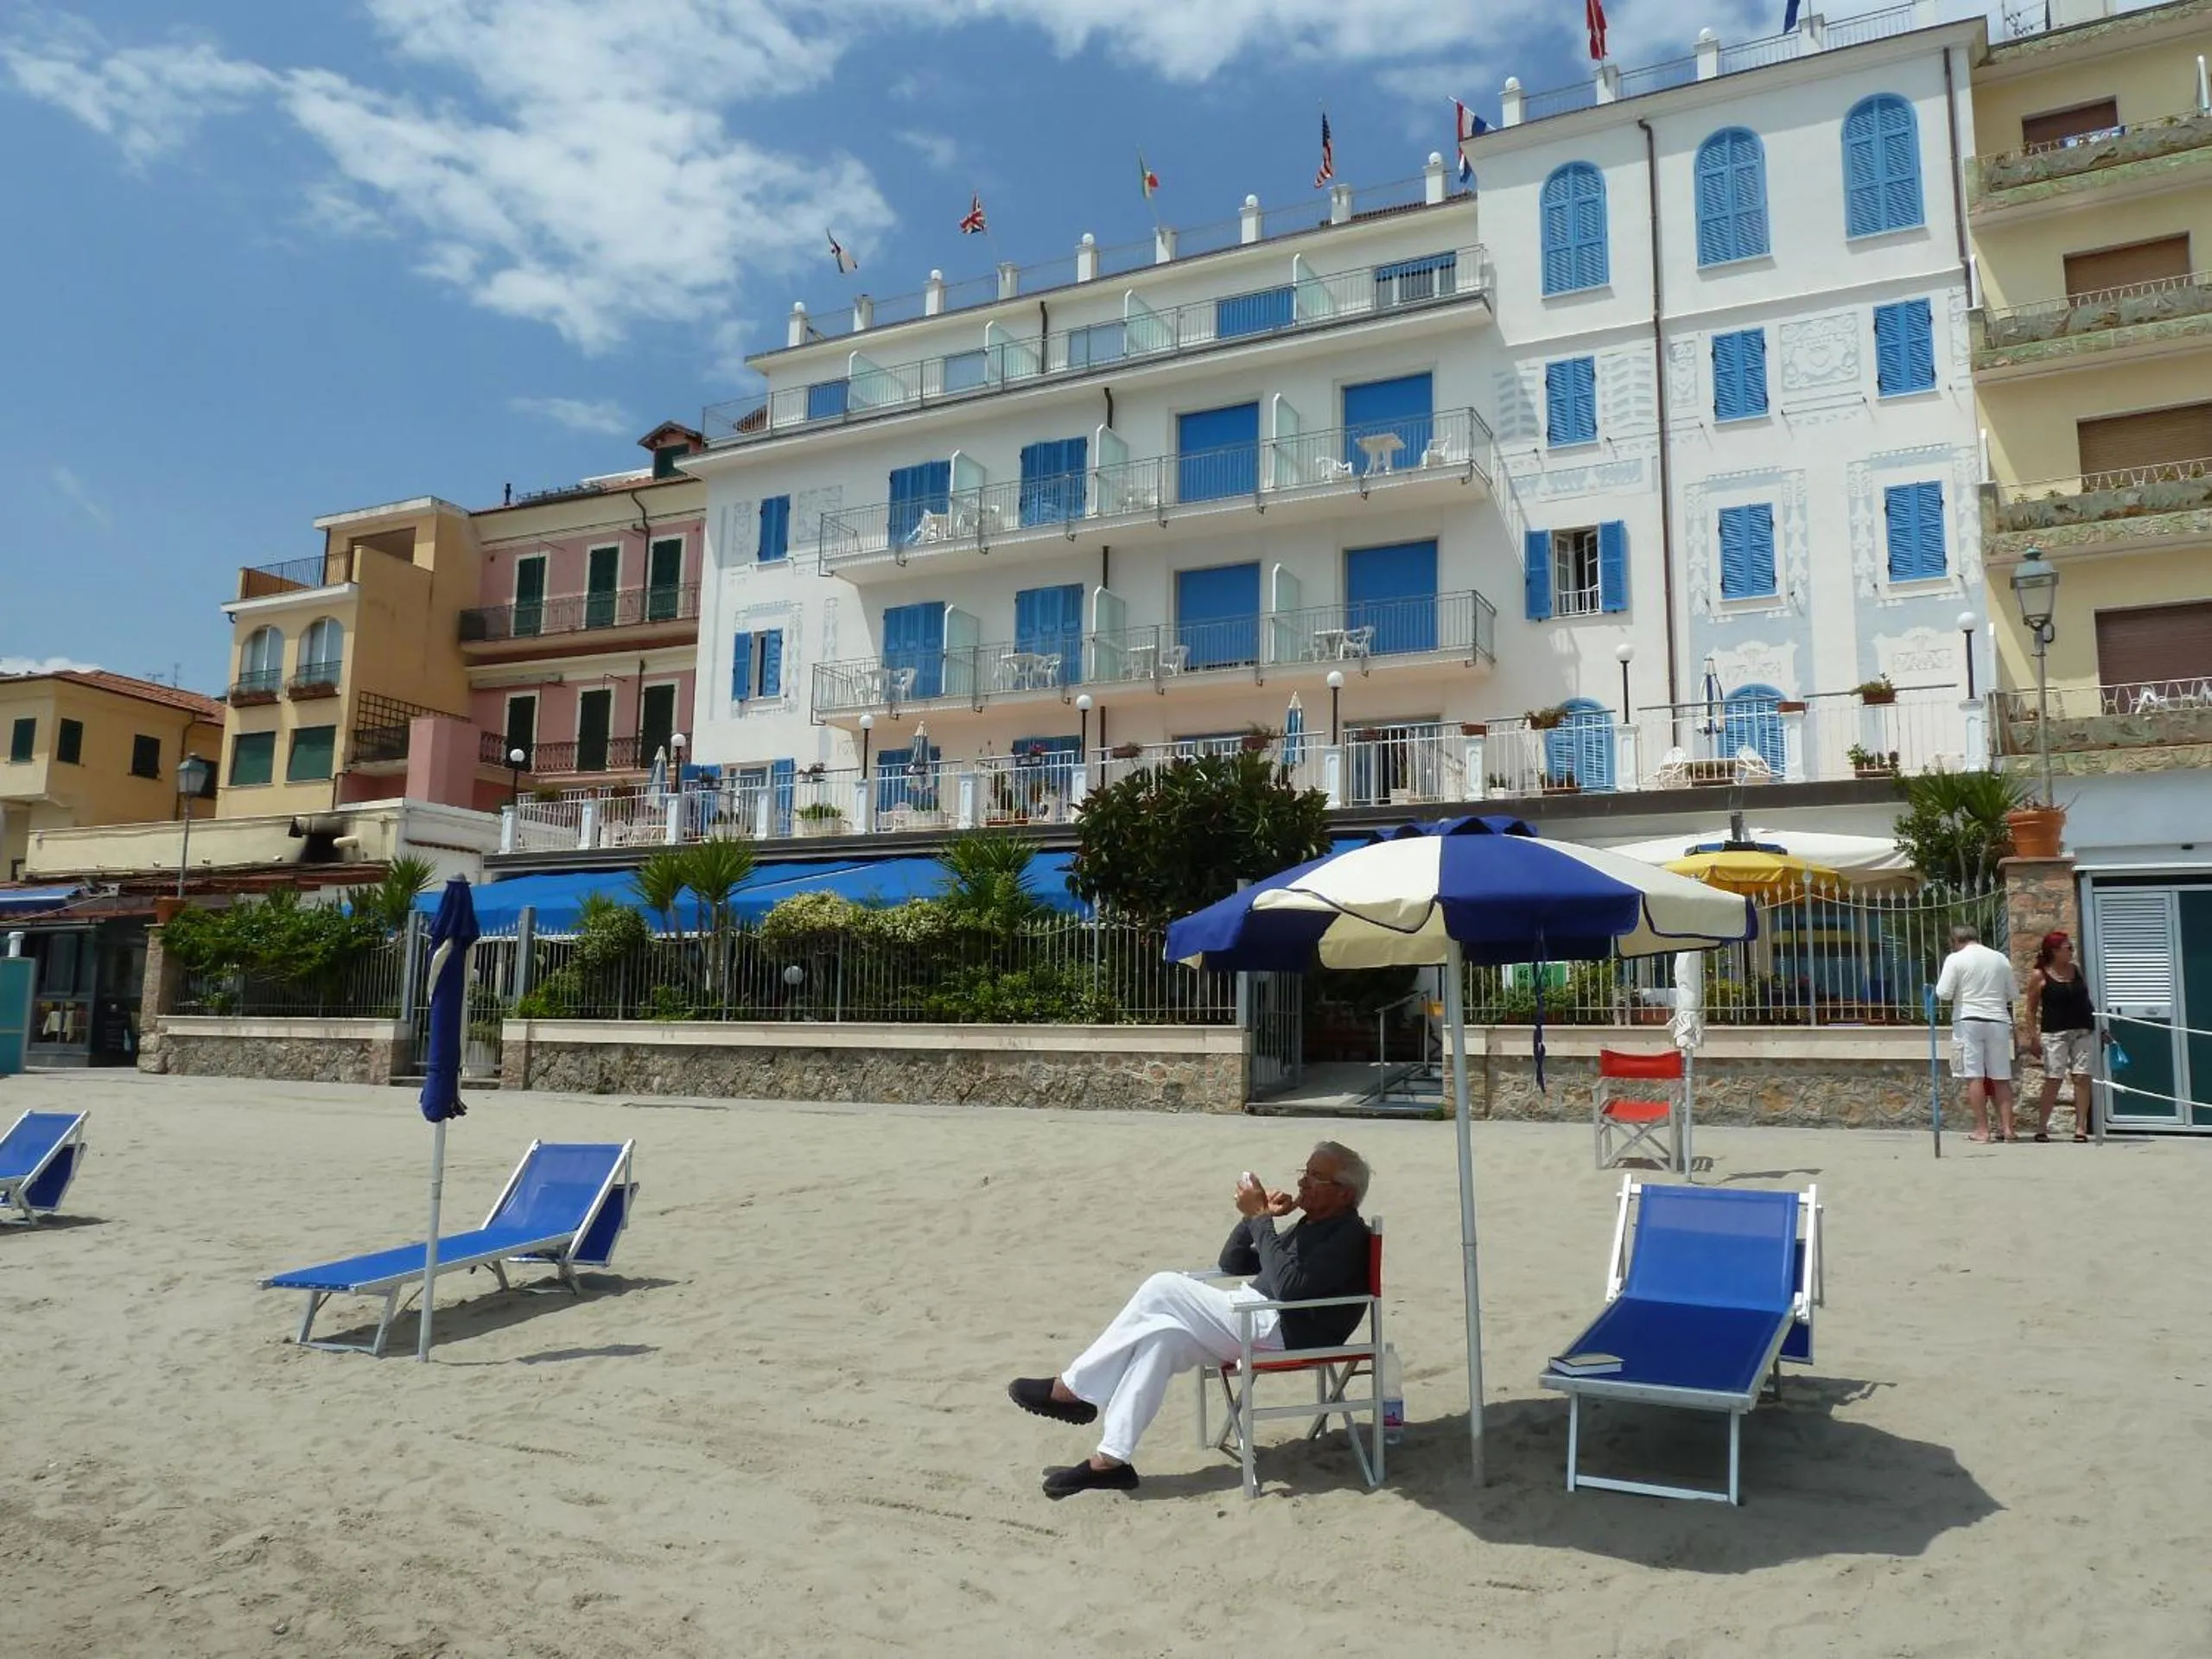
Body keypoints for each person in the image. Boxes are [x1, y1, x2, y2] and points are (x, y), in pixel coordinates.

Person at [1006, 1141, 1372, 1499]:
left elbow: (1290, 1288)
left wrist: (1260, 1219)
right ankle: (1111, 1461)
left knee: (1162, 1286)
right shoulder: (1310, 1224)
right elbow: (1233, 1263)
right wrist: (1255, 1221)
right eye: (1303, 1172)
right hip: (1255, 1316)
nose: (1302, 1182)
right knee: (1161, 1339)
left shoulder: (1348, 1234)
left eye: (1315, 1176)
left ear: (1344, 1193)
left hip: (1282, 1329)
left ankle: (1071, 1389)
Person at [1935, 924, 2020, 1143]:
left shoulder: (1955, 959)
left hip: (1968, 1020)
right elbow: (2012, 993)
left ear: (1955, 941)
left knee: (1974, 1076)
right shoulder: (2000, 958)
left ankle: (1983, 1130)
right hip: (1998, 1020)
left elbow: (1943, 993)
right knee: (2001, 1076)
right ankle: (2008, 1129)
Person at [2026, 929, 2099, 1142]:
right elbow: (2030, 1009)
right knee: (2053, 1079)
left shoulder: (2075, 971)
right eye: (2068, 948)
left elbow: (2086, 1001)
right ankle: (2042, 1127)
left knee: (2082, 1077)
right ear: (2055, 951)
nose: (2072, 951)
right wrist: (2033, 1037)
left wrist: (2098, 1027)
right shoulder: (2040, 974)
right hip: (2055, 1033)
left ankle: (2080, 1128)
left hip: (2082, 1030)